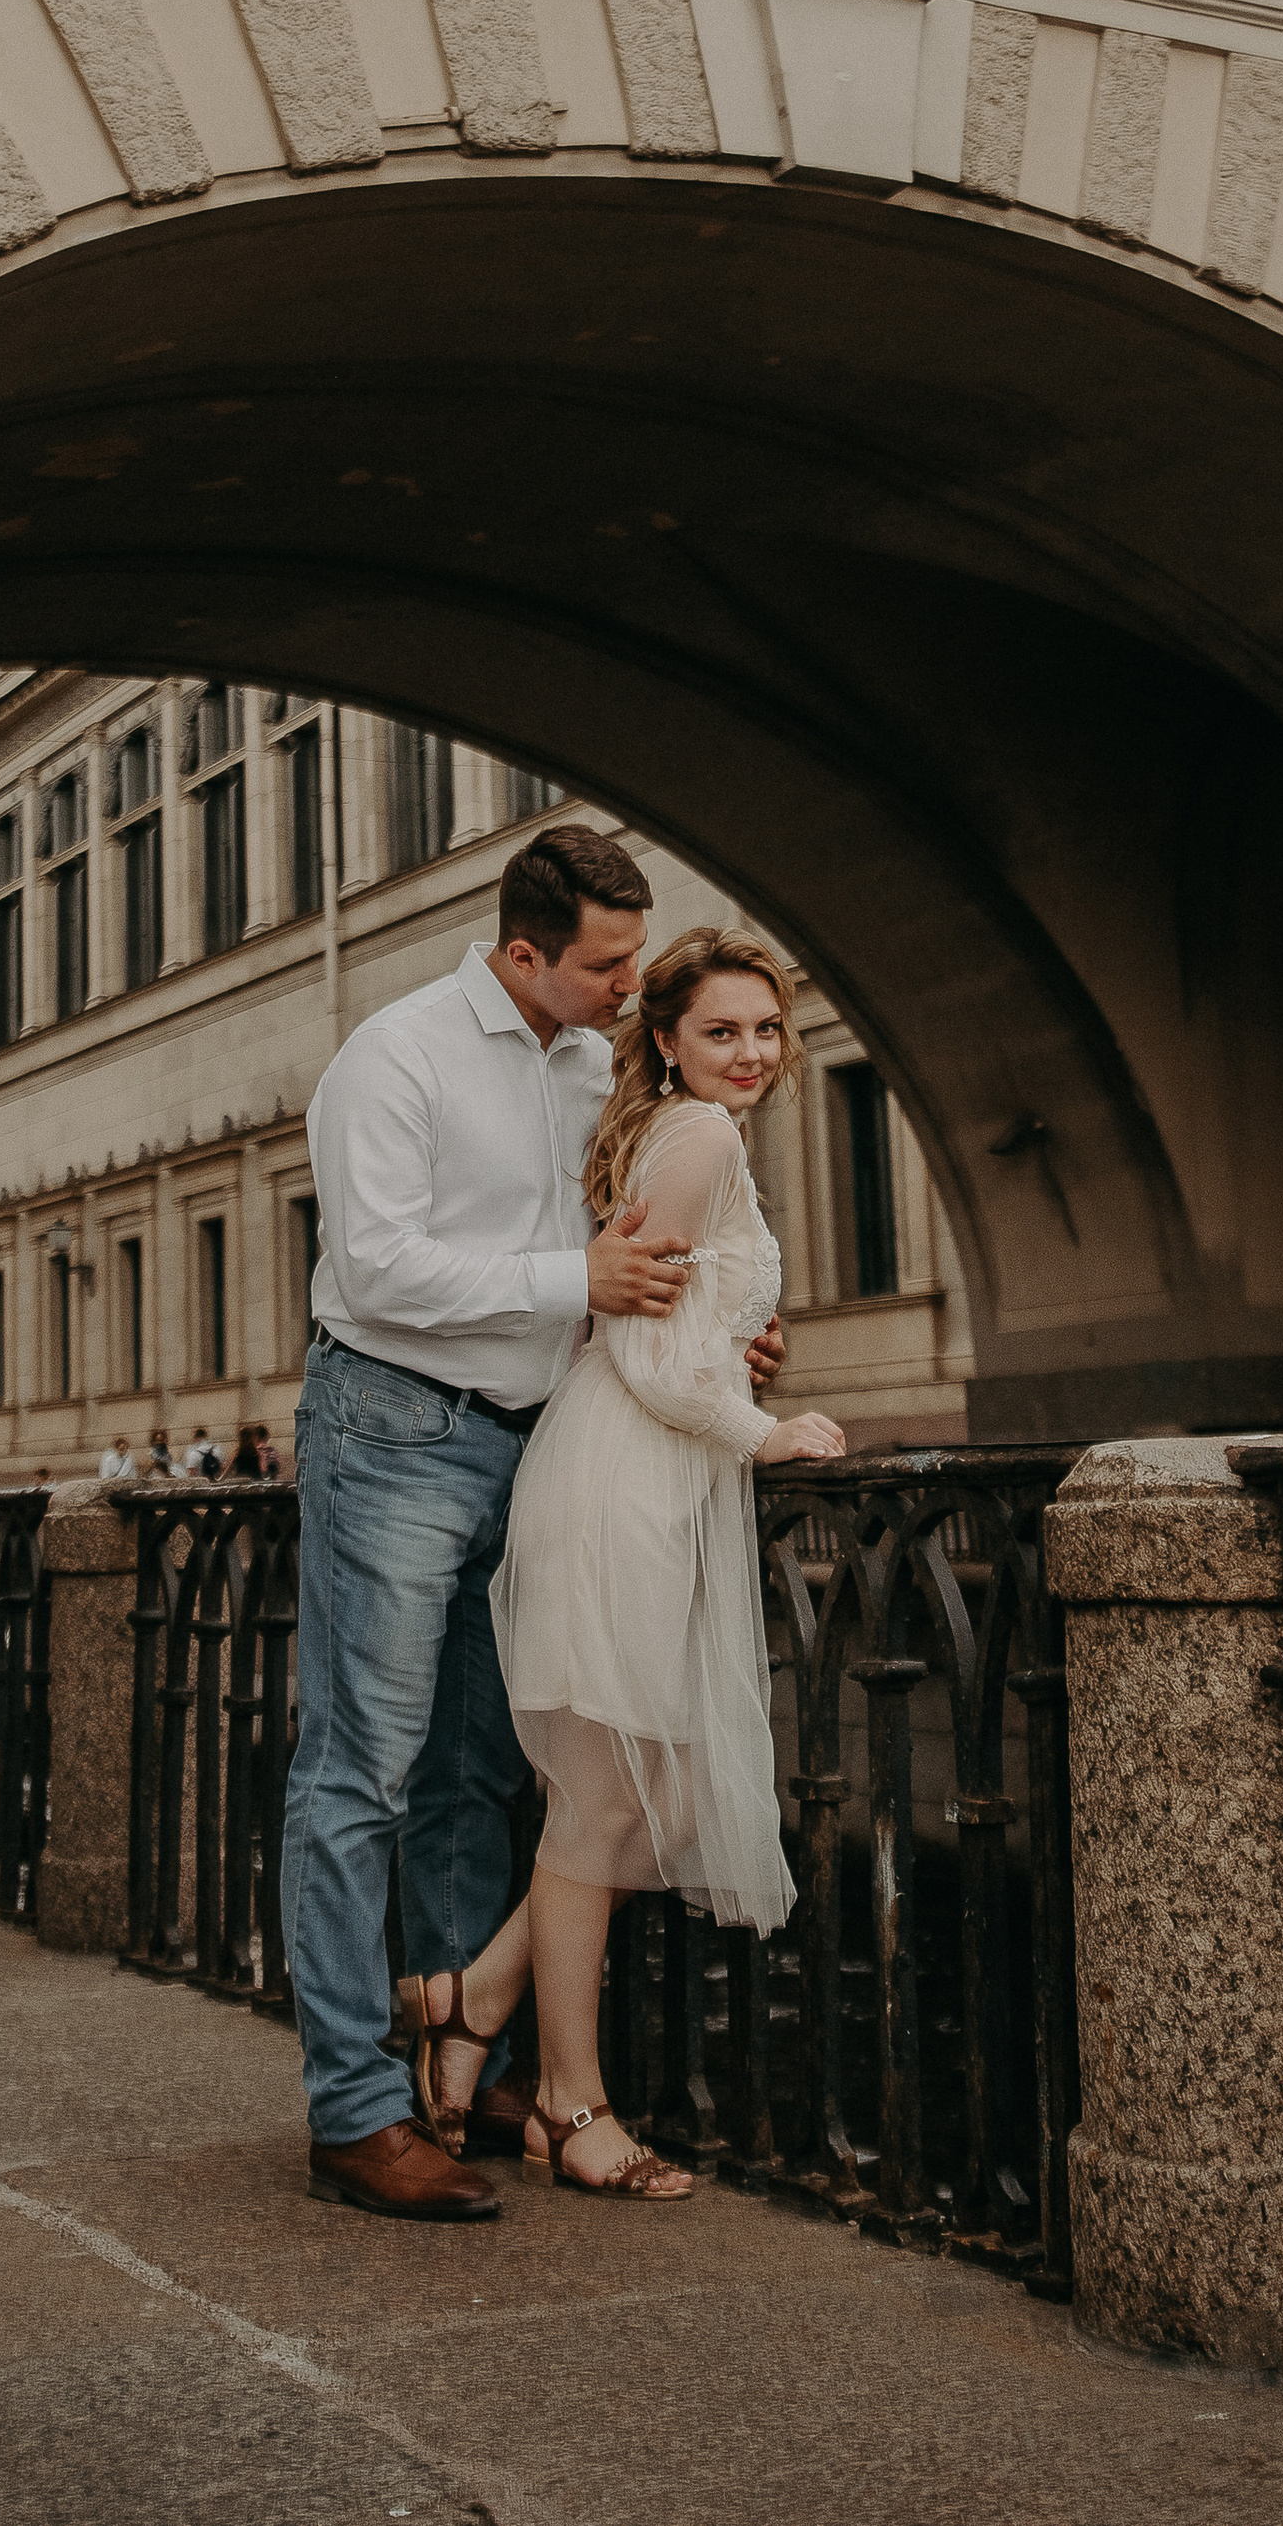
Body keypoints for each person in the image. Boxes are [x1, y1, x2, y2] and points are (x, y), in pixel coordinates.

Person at [284, 824, 717, 2224]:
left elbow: (625, 1261)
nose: (629, 984)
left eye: (635, 956)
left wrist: (704, 1338)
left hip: (536, 1447)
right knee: (359, 1770)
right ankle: (354, 2109)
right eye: (605, 963)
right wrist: (576, 1277)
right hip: (391, 1434)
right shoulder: (395, 1057)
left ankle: (465, 2067)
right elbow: (377, 1266)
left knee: (482, 1767)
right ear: (523, 952)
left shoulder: (594, 1065)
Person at [397, 930, 843, 2198]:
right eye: (722, 1031)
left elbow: (674, 1318)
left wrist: (737, 1356)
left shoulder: (678, 1130)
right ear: (668, 1040)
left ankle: (474, 1996)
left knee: (653, 1800)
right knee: (605, 1806)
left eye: (767, 1028)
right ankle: (570, 2103)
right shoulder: (698, 1137)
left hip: (637, 1475)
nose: (751, 1053)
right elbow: (641, 1347)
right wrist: (764, 1430)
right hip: (623, 1483)